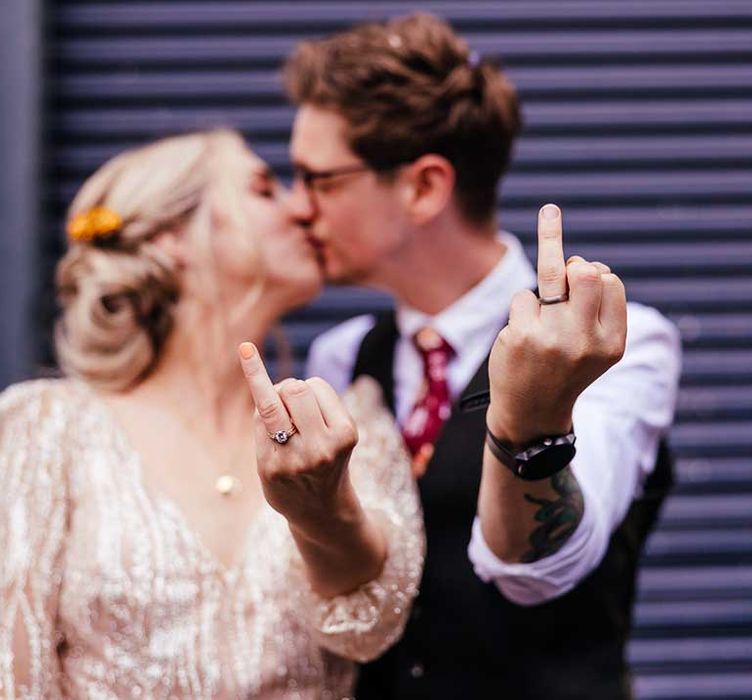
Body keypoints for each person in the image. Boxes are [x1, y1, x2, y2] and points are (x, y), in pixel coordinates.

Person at [282, 12, 681, 699]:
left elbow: (543, 571)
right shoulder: (343, 354)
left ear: (424, 187)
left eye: (319, 180)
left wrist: (533, 417)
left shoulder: (618, 343)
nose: (298, 208)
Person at [0, 129, 424, 699]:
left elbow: (369, 630)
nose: (303, 206)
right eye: (263, 189)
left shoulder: (348, 429)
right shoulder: (43, 428)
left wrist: (323, 510)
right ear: (172, 237)